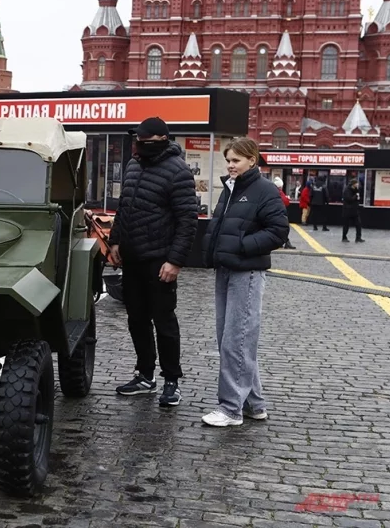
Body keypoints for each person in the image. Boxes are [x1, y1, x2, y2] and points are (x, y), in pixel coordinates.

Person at [108, 117, 198, 406]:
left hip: (160, 259)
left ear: (162, 139)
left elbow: (188, 220)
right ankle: (145, 375)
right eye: (138, 140)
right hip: (133, 258)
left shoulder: (178, 171)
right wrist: (115, 241)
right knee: (137, 320)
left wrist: (175, 261)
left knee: (164, 321)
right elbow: (124, 206)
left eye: (145, 140)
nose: (139, 145)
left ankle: (171, 381)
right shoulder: (133, 165)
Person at [201, 137, 289, 427]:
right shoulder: (231, 187)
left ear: (252, 160)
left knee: (236, 340)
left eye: (236, 160)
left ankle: (230, 409)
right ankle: (254, 404)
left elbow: (278, 231)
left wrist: (241, 246)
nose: (230, 165)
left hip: (246, 272)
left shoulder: (264, 190)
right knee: (231, 339)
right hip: (226, 269)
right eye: (228, 160)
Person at [273, 176, 296, 249]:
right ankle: (286, 243)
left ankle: (282, 243)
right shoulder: (279, 191)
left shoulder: (273, 191)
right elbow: (285, 201)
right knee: (284, 228)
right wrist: (287, 198)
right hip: (279, 213)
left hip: (275, 212)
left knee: (279, 229)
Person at [342, 177, 364, 243]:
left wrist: (358, 197)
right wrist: (355, 196)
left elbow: (357, 197)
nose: (357, 185)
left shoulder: (356, 190)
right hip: (347, 210)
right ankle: (344, 237)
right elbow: (349, 199)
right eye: (356, 183)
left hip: (355, 210)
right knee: (346, 225)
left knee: (358, 224)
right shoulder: (347, 190)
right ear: (353, 184)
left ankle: (358, 238)